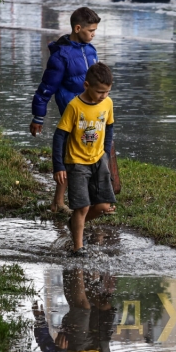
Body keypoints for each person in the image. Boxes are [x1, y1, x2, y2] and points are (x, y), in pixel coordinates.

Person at [30, 7, 101, 215]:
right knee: (73, 154)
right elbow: (45, 89)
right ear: (77, 28)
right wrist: (38, 117)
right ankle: (62, 202)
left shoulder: (91, 50)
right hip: (71, 111)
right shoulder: (61, 56)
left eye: (95, 31)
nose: (93, 34)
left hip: (91, 111)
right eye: (91, 31)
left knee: (87, 151)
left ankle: (60, 201)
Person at [52, 63, 116, 256]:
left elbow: (110, 126)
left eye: (107, 92)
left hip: (98, 160)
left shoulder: (108, 103)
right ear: (86, 85)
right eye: (99, 92)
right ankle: (78, 247)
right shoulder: (74, 106)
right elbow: (59, 136)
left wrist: (105, 151)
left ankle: (74, 223)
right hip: (77, 162)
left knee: (104, 206)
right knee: (83, 206)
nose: (103, 96)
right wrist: (59, 166)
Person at [33, 268, 117, 352]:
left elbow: (48, 351)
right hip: (99, 349)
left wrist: (40, 322)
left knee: (83, 306)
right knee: (104, 306)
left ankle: (76, 259)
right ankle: (77, 272)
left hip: (77, 351)